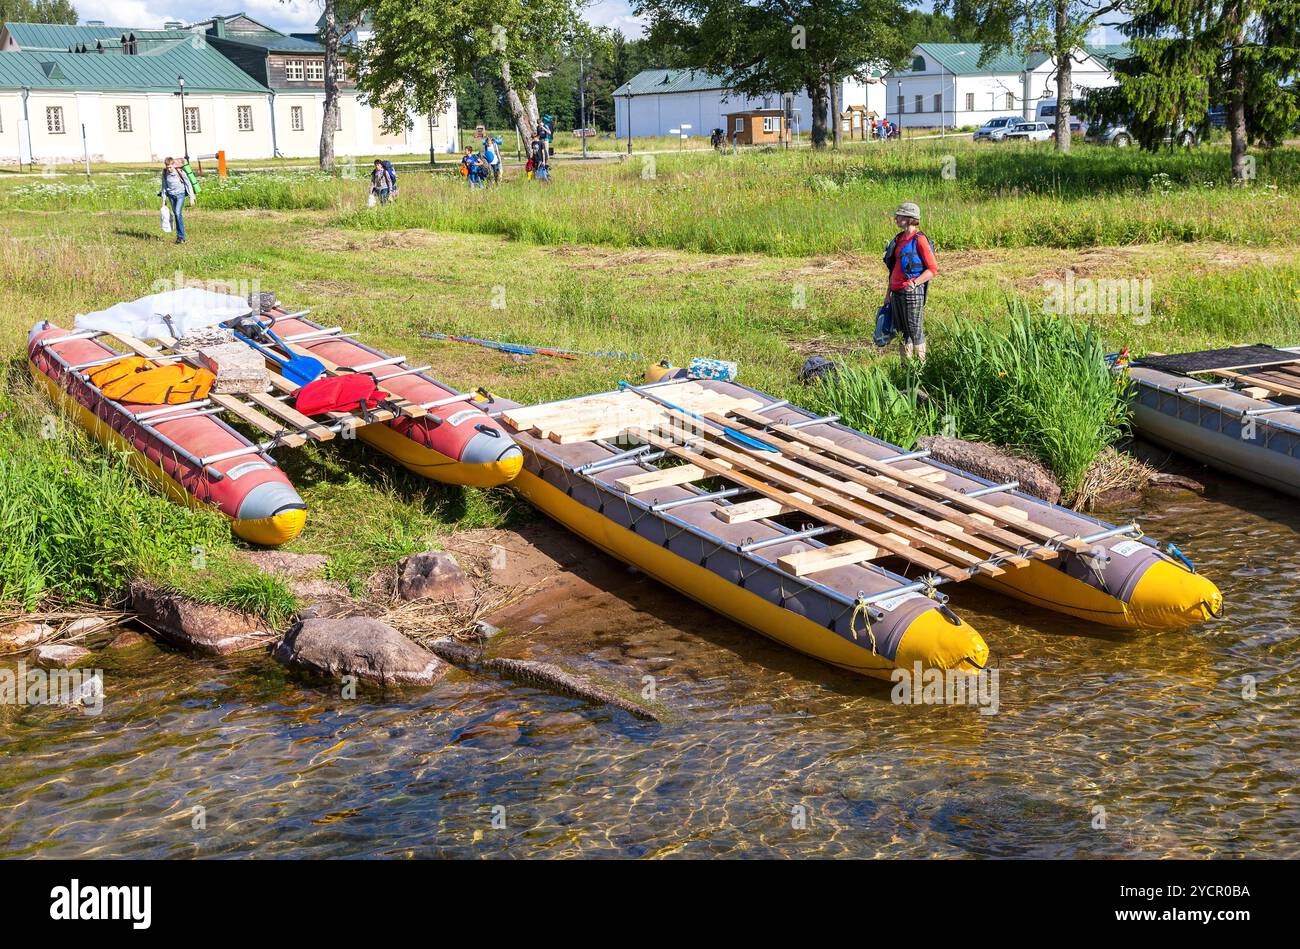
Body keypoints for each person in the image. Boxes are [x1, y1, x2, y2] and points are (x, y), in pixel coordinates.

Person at [882, 201, 937, 362]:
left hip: (912, 291)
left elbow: (932, 269)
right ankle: (905, 368)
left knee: (915, 330)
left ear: (909, 218)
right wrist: (888, 293)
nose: (895, 218)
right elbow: (894, 269)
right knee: (901, 331)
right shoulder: (899, 239)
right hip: (896, 291)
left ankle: (920, 368)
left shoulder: (920, 239)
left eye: (899, 215)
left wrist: (914, 283)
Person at [158, 157, 195, 245]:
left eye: (170, 167)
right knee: (176, 214)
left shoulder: (180, 172)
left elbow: (188, 184)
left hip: (180, 195)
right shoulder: (165, 173)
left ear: (173, 165)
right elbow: (164, 187)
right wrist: (163, 200)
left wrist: (191, 197)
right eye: (167, 167)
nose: (169, 169)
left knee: (178, 213)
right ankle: (179, 237)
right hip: (171, 196)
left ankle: (181, 237)